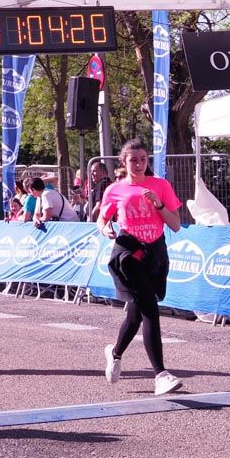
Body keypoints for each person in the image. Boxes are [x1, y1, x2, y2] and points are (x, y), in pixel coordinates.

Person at [98, 138, 184, 395]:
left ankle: (114, 354)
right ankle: (161, 374)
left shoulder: (161, 185)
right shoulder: (114, 189)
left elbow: (176, 224)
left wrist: (158, 204)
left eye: (143, 159)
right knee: (150, 309)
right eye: (133, 160)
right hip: (128, 252)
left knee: (136, 312)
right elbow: (102, 220)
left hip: (154, 251)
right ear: (124, 162)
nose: (138, 164)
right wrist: (106, 228)